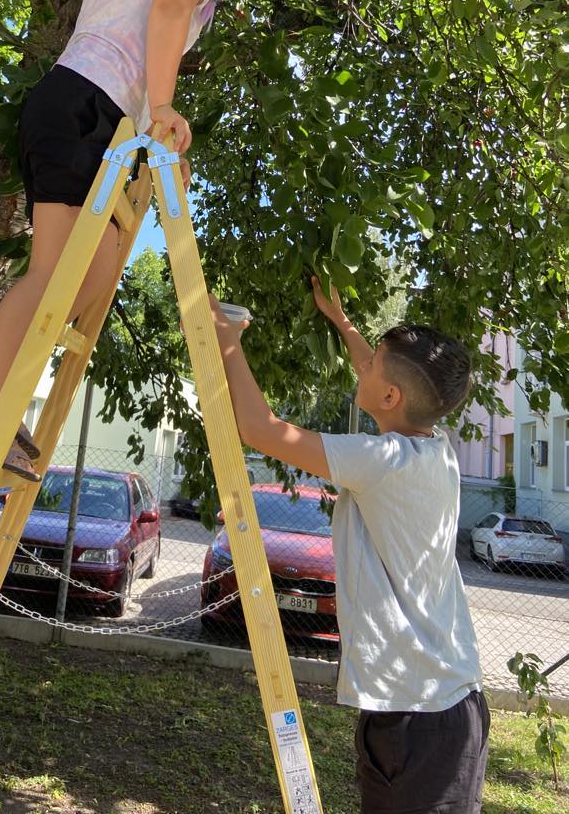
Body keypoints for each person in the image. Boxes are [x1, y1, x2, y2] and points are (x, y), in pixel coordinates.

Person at [0, 0, 226, 481]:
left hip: (76, 103)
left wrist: (149, 127)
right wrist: (162, 108)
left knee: (94, 268)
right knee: (52, 273)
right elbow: (169, 10)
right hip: (87, 106)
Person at [209, 276, 489, 814]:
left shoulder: (380, 460)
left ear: (390, 397)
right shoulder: (436, 449)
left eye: (373, 363)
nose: (364, 365)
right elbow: (388, 381)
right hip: (444, 704)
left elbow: (261, 429)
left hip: (420, 721)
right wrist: (341, 321)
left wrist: (227, 341)